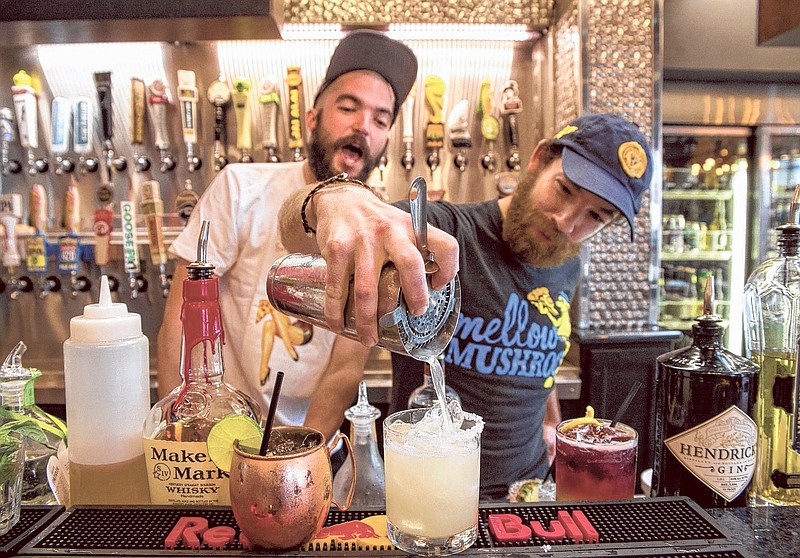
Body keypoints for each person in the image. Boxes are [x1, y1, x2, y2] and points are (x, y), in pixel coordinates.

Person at [279, 113, 653, 499]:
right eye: (564, 189)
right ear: (539, 159)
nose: (566, 222)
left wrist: (549, 422)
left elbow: (542, 348)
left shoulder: (565, 261)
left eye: (595, 216)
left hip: (526, 491)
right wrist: (332, 200)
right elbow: (295, 237)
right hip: (431, 493)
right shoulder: (441, 235)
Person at [156, 29, 418, 430]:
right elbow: (182, 320)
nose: (364, 126)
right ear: (312, 118)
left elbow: (345, 369)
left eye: (380, 119)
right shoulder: (239, 187)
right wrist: (182, 435)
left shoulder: (378, 226)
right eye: (348, 108)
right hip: (220, 439)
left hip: (310, 448)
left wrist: (298, 459)